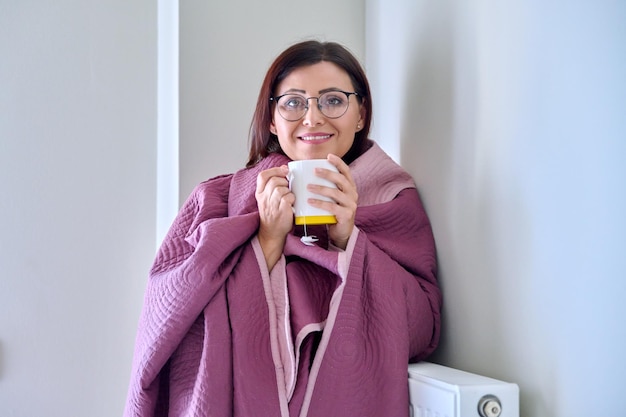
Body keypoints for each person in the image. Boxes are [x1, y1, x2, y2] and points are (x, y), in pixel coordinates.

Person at [124, 40, 442, 417]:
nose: (313, 118)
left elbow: (423, 332)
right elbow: (165, 315)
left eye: (333, 100)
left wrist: (348, 240)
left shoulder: (393, 201)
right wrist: (267, 239)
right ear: (273, 120)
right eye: (293, 102)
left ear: (360, 113)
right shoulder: (216, 200)